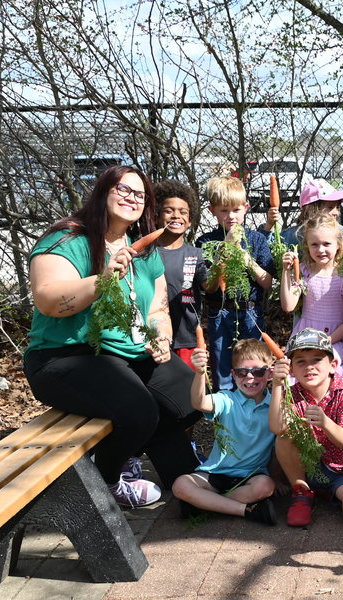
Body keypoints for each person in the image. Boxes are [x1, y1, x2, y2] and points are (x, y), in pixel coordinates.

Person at [25, 165, 200, 508]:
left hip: (124, 355)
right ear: (103, 191)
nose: (131, 198)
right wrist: (102, 279)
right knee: (139, 411)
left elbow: (158, 310)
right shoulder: (68, 239)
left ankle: (182, 477)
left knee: (190, 397)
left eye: (140, 194)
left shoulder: (144, 249)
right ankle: (105, 484)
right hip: (64, 357)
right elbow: (48, 300)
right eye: (123, 189)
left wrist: (161, 336)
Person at [270, 328, 343, 527]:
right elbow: (277, 428)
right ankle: (302, 491)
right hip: (306, 468)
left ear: (333, 365)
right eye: (301, 361)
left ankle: (333, 492)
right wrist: (276, 385)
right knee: (285, 434)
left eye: (317, 359)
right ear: (291, 370)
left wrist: (326, 423)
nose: (309, 367)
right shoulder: (292, 393)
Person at [173, 339, 277, 524]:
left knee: (266, 486)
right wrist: (199, 373)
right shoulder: (226, 399)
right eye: (242, 372)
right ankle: (246, 510)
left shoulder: (274, 405)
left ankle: (203, 504)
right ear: (233, 375)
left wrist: (280, 478)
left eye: (258, 371)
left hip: (251, 476)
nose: (250, 378)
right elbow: (199, 402)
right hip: (216, 474)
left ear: (270, 373)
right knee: (181, 485)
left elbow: (280, 444)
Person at [195, 176, 275, 390]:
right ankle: (225, 417)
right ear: (212, 210)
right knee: (222, 367)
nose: (231, 216)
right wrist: (225, 252)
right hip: (220, 313)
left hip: (251, 313)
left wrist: (246, 260)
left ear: (246, 208)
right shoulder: (205, 242)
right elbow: (208, 286)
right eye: (224, 210)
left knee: (254, 367)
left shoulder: (257, 240)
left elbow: (267, 282)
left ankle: (254, 413)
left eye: (236, 210)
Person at [279, 215, 343, 379]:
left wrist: (325, 342)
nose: (320, 249)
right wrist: (286, 271)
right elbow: (288, 305)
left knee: (325, 370)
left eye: (327, 244)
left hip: (335, 339)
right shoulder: (304, 271)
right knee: (298, 374)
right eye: (315, 244)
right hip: (305, 336)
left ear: (338, 245)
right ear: (307, 246)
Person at [154, 180, 207, 370]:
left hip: (188, 338)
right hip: (154, 338)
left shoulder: (196, 255)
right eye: (169, 211)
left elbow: (211, 287)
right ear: (157, 217)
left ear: (190, 220)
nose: (176, 215)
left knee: (188, 392)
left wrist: (221, 267)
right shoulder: (146, 253)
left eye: (183, 212)